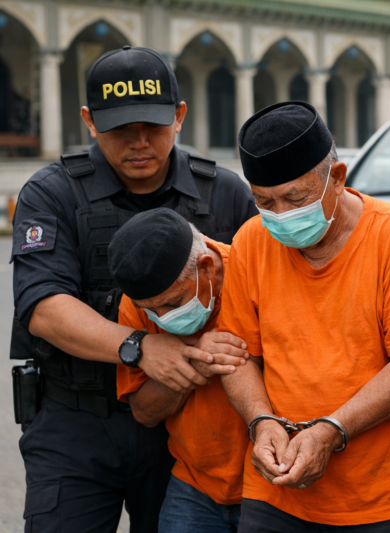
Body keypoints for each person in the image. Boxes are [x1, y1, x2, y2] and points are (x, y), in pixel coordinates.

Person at [11, 46, 256, 532]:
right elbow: (43, 306)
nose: (139, 142)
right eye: (121, 129)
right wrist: (140, 347)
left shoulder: (224, 194)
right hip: (76, 423)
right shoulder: (52, 192)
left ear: (180, 116)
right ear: (89, 121)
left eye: (154, 126)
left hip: (185, 430)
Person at [218, 101, 390, 532]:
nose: (282, 215)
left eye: (296, 198)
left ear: (337, 179)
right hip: (277, 494)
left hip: (387, 498)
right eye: (266, 201)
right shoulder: (252, 240)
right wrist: (260, 420)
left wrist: (330, 431)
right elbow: (237, 355)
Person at [109, 208, 248, 532]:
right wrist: (190, 366)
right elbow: (144, 412)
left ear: (206, 267)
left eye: (172, 304)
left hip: (271, 485)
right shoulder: (136, 303)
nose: (162, 318)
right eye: (151, 311)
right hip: (194, 485)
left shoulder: (252, 271)